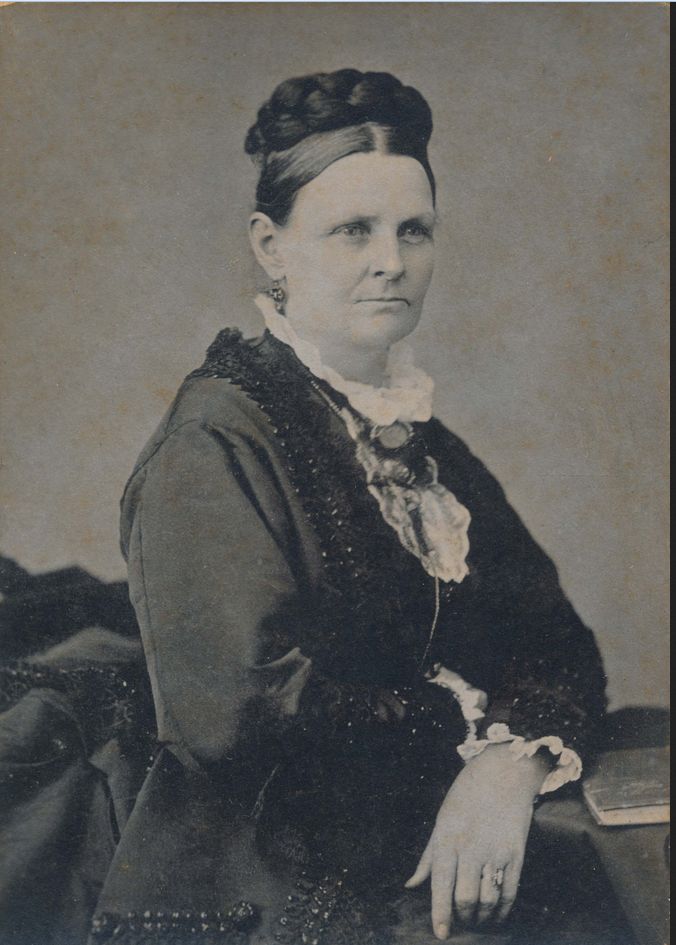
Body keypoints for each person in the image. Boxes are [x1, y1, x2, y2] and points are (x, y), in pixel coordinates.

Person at [0, 70, 609, 945]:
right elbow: (244, 729)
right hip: (270, 879)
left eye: (414, 230)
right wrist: (469, 743)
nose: (390, 261)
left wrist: (510, 770)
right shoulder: (215, 439)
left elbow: (556, 641)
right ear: (271, 245)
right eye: (352, 230)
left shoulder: (414, 436)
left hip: (428, 837)